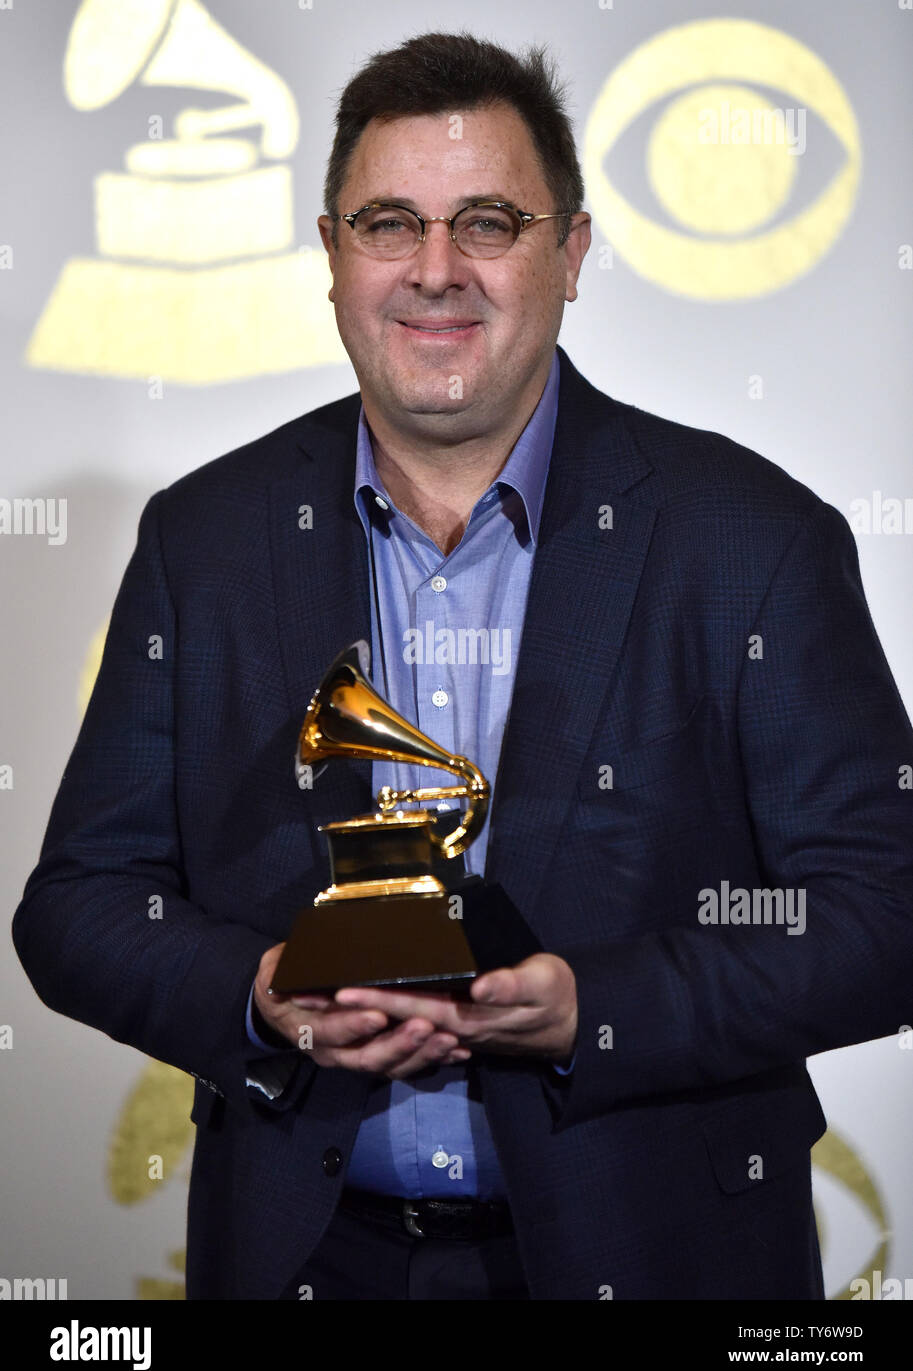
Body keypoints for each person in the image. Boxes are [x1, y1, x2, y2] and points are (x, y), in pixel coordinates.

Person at [12, 31, 913, 1302]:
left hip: (660, 1262)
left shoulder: (750, 540)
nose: (436, 272)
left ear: (573, 253)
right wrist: (260, 994)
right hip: (304, 1262)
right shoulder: (203, 541)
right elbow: (79, 905)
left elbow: (882, 916)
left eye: (486, 221)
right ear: (332, 258)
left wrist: (591, 1005)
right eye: (391, 224)